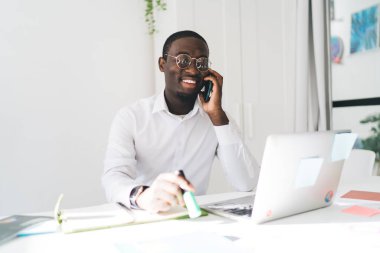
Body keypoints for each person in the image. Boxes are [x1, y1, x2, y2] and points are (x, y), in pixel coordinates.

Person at [102, 30, 259, 213]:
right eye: (182, 60)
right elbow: (113, 177)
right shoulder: (131, 117)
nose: (193, 70)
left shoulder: (217, 119)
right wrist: (142, 196)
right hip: (144, 216)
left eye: (201, 63)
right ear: (162, 64)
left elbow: (246, 183)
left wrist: (218, 116)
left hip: (193, 218)